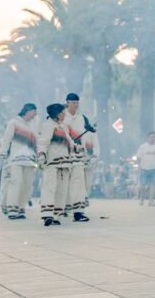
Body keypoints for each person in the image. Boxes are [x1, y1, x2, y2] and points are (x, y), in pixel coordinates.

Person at [0, 103, 38, 220]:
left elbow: (37, 141)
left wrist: (39, 154)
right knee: (15, 183)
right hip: (15, 159)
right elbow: (7, 139)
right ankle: (12, 208)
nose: (35, 115)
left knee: (27, 185)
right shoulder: (13, 123)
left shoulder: (32, 126)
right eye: (34, 112)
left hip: (30, 160)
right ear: (28, 111)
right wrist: (3, 153)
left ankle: (21, 208)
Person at [37, 103, 74, 226]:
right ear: (57, 114)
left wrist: (76, 147)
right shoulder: (48, 126)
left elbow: (70, 143)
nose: (65, 114)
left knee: (61, 190)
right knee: (49, 187)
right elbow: (43, 142)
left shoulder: (63, 127)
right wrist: (41, 155)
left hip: (65, 163)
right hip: (52, 162)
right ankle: (47, 214)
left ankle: (57, 215)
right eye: (63, 112)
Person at [62, 93, 92, 222]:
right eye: (73, 102)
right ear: (67, 102)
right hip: (64, 155)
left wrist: (84, 152)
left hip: (78, 155)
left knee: (79, 184)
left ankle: (78, 212)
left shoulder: (81, 118)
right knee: (64, 184)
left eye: (77, 103)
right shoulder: (61, 116)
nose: (75, 105)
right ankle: (61, 208)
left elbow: (84, 138)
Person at [137, 132, 155, 206]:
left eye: (154, 137)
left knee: (152, 185)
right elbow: (138, 157)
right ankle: (142, 198)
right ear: (147, 138)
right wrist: (139, 165)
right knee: (142, 185)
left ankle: (151, 201)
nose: (153, 138)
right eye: (151, 137)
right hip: (144, 169)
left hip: (154, 169)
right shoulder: (143, 147)